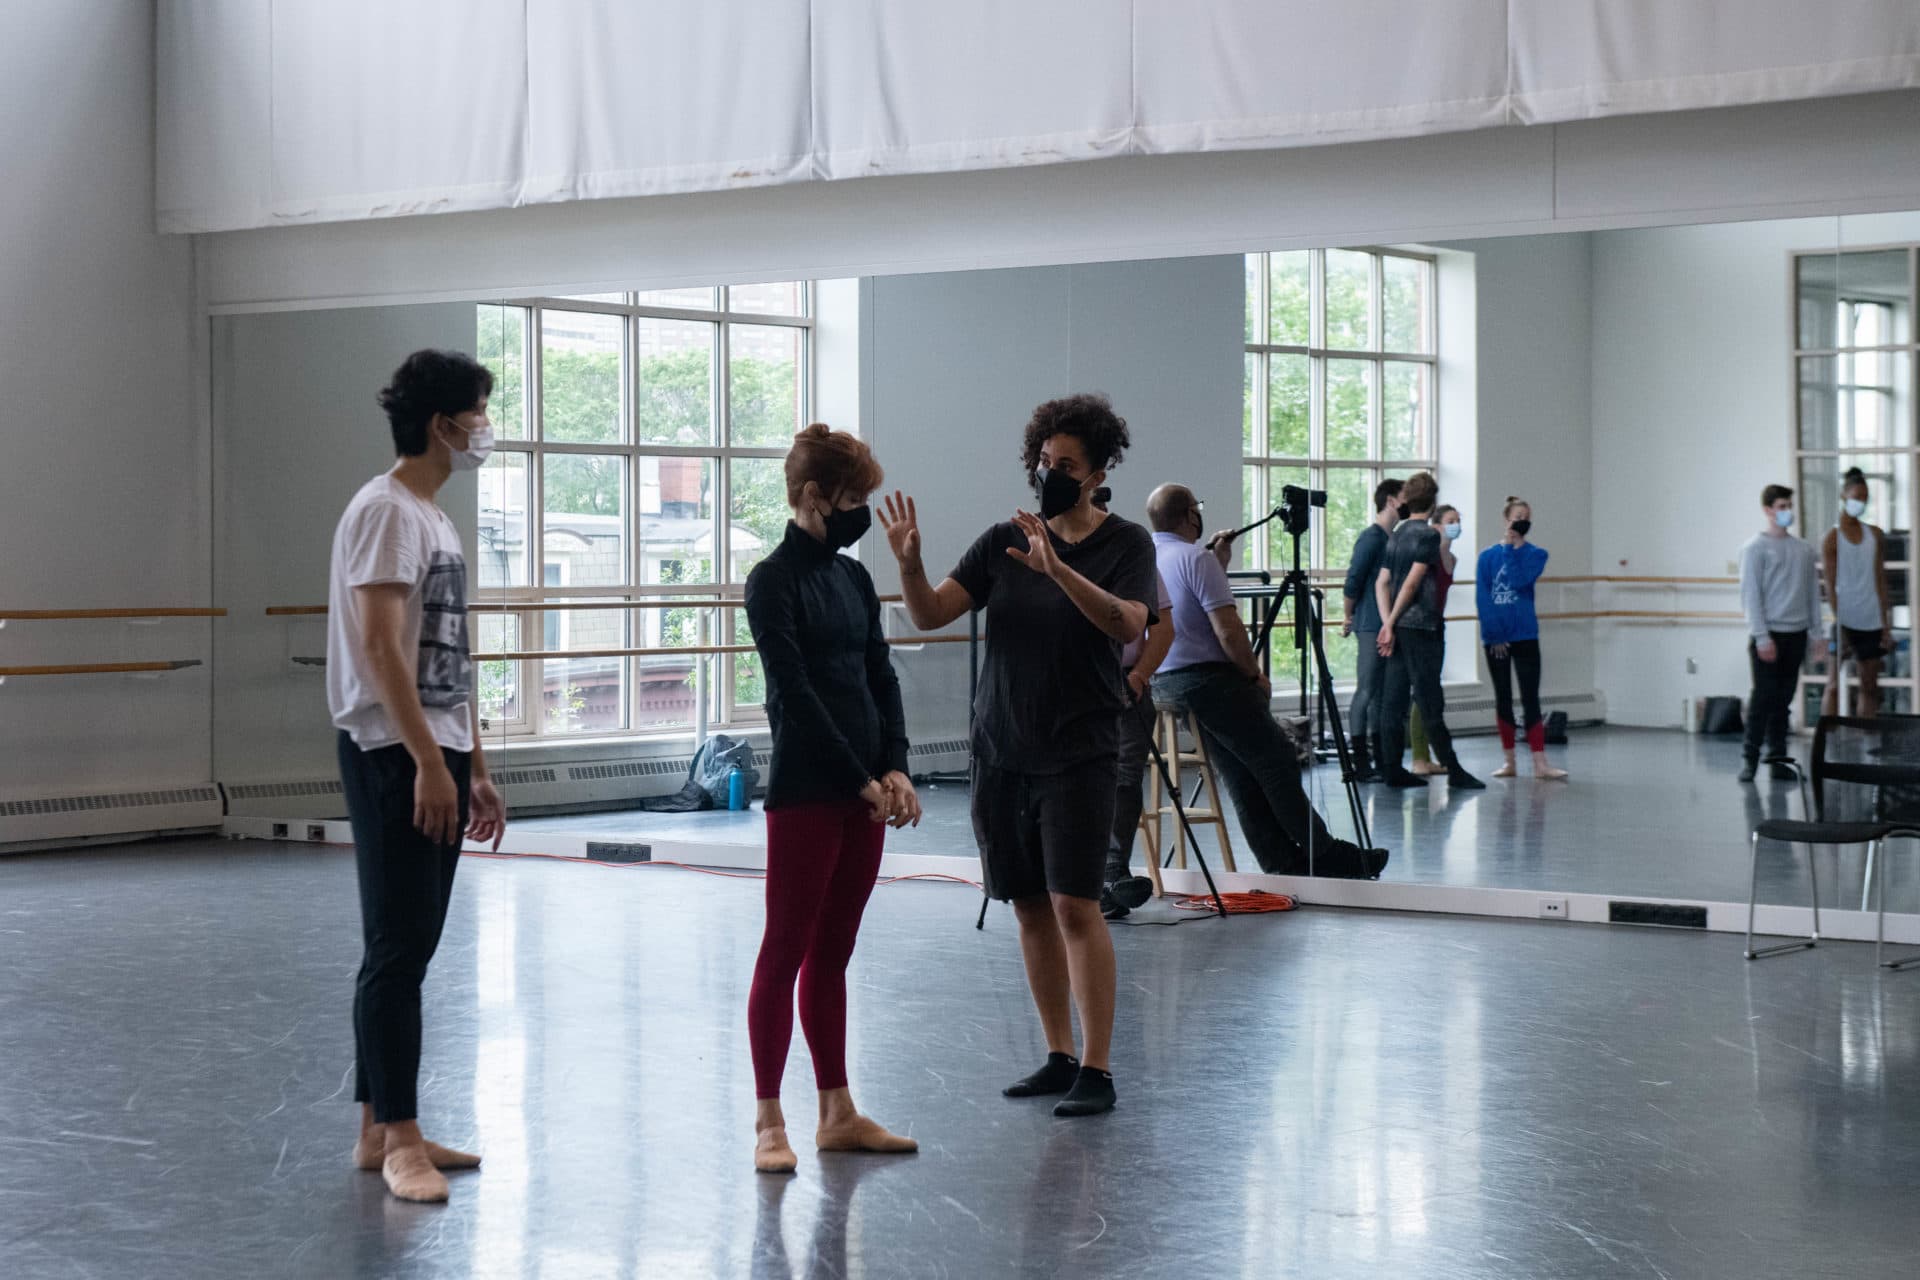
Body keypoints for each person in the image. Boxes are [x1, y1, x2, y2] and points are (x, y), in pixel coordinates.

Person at [880, 393, 1158, 1118]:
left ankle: (1097, 1067)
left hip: (1079, 750)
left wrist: (1057, 568)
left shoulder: (1126, 543)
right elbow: (931, 611)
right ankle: (1058, 1053)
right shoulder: (1003, 535)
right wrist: (911, 565)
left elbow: (1127, 623)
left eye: (1067, 465)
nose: (1051, 473)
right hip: (1003, 748)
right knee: (1029, 905)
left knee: (1075, 903)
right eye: (1043, 461)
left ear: (1098, 473)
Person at [328, 349, 508, 1204]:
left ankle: (381, 1125)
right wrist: (428, 764)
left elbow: (446, 654)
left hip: (437, 748)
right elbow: (376, 647)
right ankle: (397, 1139)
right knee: (397, 948)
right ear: (443, 424)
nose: (485, 428)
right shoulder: (386, 511)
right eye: (479, 411)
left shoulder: (436, 518)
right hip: (391, 752)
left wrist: (474, 763)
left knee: (413, 945)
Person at [743, 423, 922, 1175]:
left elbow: (880, 675)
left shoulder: (852, 580)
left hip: (866, 791)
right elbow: (795, 694)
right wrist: (860, 777)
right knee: (785, 948)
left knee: (834, 953)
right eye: (854, 500)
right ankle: (768, 1120)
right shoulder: (771, 580)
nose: (862, 515)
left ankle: (837, 1110)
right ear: (814, 496)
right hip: (811, 789)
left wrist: (899, 768)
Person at [1144, 483, 1389, 879]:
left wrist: (1216, 564)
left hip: (1165, 682)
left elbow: (1182, 611)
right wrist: (1254, 674)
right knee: (1276, 759)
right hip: (1208, 681)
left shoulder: (1149, 557)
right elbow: (1228, 632)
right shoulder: (1195, 558)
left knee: (1240, 772)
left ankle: (1280, 862)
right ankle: (1323, 854)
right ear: (1191, 515)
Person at [1376, 472, 1485, 791]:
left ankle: (1391, 768)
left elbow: (1382, 582)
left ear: (1408, 500)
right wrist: (1393, 622)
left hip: (1398, 629)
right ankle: (1453, 770)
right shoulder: (1427, 537)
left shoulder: (1395, 534)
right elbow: (1412, 583)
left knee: (1393, 702)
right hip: (1421, 628)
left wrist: (1387, 624)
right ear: (1434, 502)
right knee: (1429, 700)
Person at [1095, 488, 1173, 922]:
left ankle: (1111, 870)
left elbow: (1163, 628)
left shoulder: (1133, 553)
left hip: (1127, 681)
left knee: (1124, 774)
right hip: (1075, 684)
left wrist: (1140, 675)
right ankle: (1089, 873)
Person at [1739, 484, 1826, 782]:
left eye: (1789, 505)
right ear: (1768, 510)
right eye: (1781, 506)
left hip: (1796, 633)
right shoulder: (1755, 549)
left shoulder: (1803, 550)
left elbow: (1812, 594)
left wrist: (1818, 634)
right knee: (1763, 697)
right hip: (1770, 634)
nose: (1786, 511)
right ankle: (1749, 759)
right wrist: (1762, 636)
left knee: (1784, 700)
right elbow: (1751, 595)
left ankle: (1777, 759)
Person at [1475, 497, 1567, 780]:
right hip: (1497, 638)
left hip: (1525, 634)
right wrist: (1494, 635)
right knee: (1503, 697)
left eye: (1526, 517)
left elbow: (1518, 581)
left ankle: (1540, 763)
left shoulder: (1536, 555)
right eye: (1517, 516)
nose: (1521, 521)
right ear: (1506, 519)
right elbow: (1483, 597)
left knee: (1530, 698)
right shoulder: (1487, 557)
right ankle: (1509, 760)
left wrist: (1512, 550)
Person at [1342, 479, 1405, 782]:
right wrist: (1347, 614)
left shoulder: (1392, 538)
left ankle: (1380, 758)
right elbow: (1353, 579)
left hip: (1385, 621)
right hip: (1370, 623)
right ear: (1392, 501)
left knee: (1380, 694)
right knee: (1367, 690)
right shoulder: (1371, 538)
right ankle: (1360, 761)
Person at [1821, 467, 1894, 718]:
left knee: (1869, 686)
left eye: (1865, 498)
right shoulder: (1832, 538)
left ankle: (1868, 745)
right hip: (1845, 620)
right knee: (1832, 686)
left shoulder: (1874, 534)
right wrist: (1840, 620)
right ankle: (1826, 743)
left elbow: (1880, 579)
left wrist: (1885, 623)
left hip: (1870, 619)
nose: (1860, 502)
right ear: (1844, 496)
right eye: (1856, 497)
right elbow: (1830, 585)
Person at [1408, 503, 1462, 776]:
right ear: (1437, 524)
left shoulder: (1451, 558)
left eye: (1458, 520)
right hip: (1421, 627)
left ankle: (1427, 754)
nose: (1456, 524)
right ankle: (1419, 756)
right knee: (1423, 693)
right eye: (1451, 520)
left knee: (1430, 692)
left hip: (1437, 625)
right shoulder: (1428, 553)